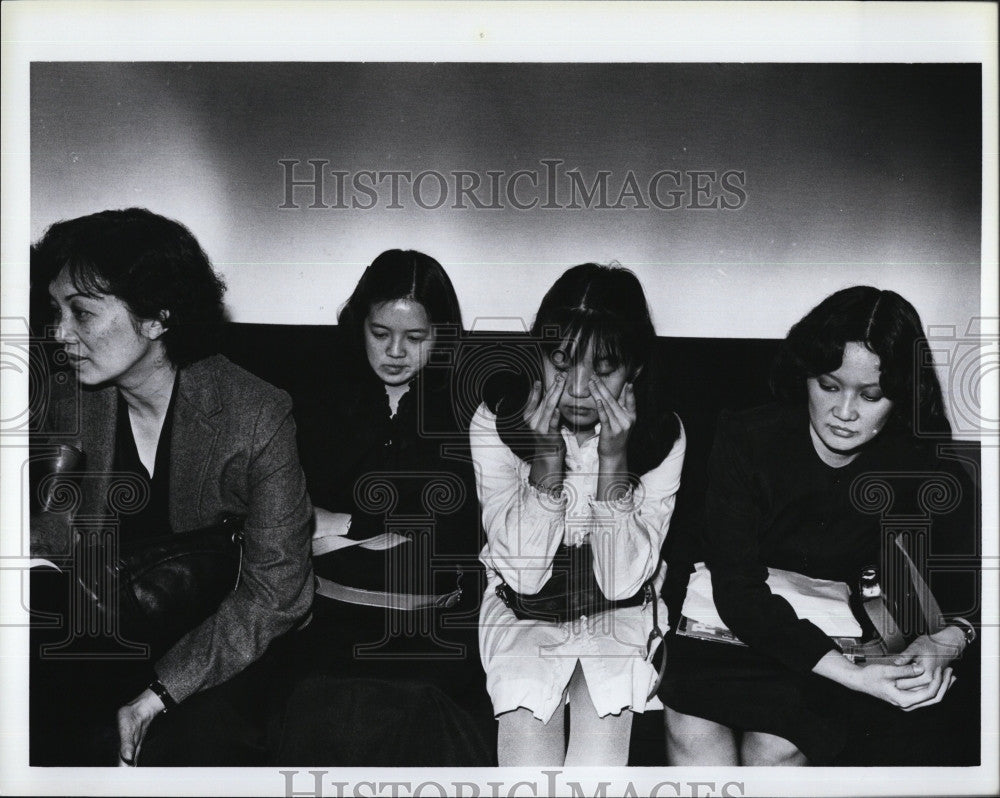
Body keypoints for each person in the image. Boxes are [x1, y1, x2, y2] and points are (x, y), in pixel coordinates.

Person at [29, 208, 314, 766]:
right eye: (56, 311)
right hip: (102, 639)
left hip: (222, 648)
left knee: (200, 746)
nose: (58, 332)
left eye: (81, 313)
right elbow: (52, 547)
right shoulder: (67, 402)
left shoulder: (255, 415)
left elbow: (277, 594)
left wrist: (156, 697)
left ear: (157, 319)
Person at [660, 286, 980, 766]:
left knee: (775, 751)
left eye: (871, 395)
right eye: (829, 386)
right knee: (692, 733)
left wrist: (943, 642)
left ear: (902, 394)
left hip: (828, 640)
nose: (845, 412)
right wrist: (857, 677)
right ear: (803, 376)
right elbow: (737, 590)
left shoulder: (921, 464)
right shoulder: (748, 438)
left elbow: (965, 592)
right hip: (725, 625)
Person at [276, 249, 494, 766]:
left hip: (432, 632)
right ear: (359, 327)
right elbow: (287, 515)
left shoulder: (469, 407)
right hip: (324, 623)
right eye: (380, 333)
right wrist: (388, 529)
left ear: (441, 337)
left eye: (415, 338)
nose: (395, 351)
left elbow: (456, 534)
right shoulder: (320, 399)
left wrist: (346, 523)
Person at [470, 263, 686, 766]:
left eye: (603, 367)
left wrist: (614, 462)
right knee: (526, 738)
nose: (578, 386)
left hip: (621, 609)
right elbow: (522, 576)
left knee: (600, 746)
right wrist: (547, 464)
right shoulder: (498, 418)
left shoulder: (662, 434)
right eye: (562, 361)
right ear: (539, 355)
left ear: (633, 367)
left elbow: (618, 584)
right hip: (524, 610)